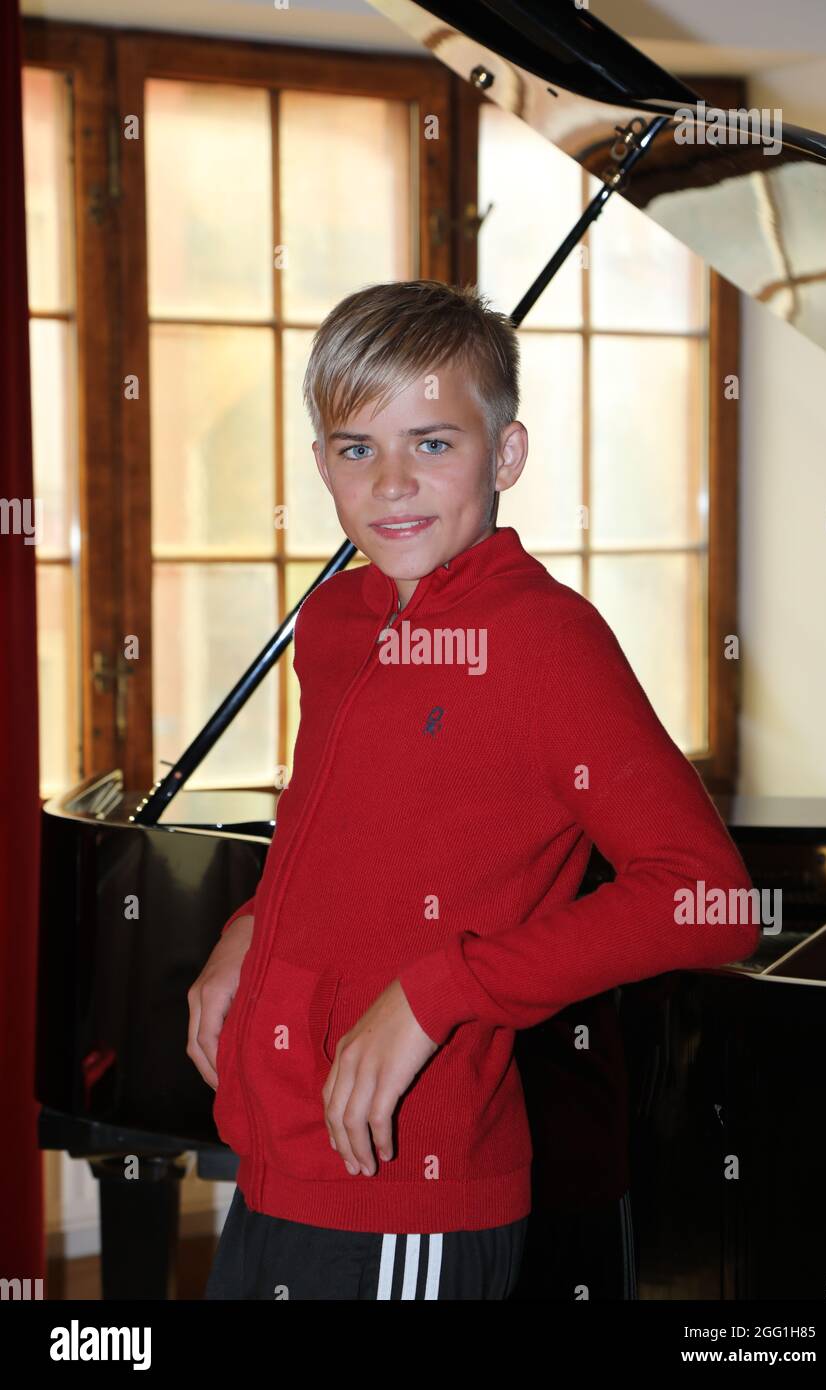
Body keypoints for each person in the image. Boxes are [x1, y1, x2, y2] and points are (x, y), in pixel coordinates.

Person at [187, 279, 760, 1301]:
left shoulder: (544, 641)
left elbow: (701, 897)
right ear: (320, 463)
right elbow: (345, 838)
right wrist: (249, 920)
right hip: (278, 1158)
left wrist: (434, 991)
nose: (393, 482)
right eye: (357, 448)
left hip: (408, 1184)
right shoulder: (333, 625)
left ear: (504, 455)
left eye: (433, 443)